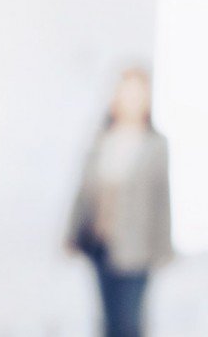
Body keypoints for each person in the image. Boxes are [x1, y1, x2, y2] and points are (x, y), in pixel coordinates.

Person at [65, 68, 174, 337]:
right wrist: (71, 233)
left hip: (137, 249)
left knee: (130, 321)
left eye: (137, 94)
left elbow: (161, 201)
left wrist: (164, 249)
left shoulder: (155, 145)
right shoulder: (102, 139)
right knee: (108, 320)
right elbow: (84, 191)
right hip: (101, 244)